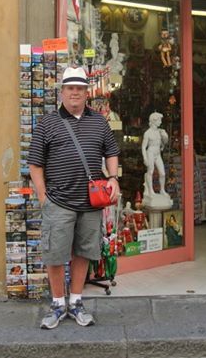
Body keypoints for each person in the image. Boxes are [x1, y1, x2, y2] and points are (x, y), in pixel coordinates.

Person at [29, 66, 120, 330]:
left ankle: (77, 301)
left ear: (86, 93)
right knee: (55, 255)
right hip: (58, 201)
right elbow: (35, 164)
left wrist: (113, 178)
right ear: (62, 92)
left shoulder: (99, 122)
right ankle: (58, 303)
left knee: (83, 253)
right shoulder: (47, 122)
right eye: (70, 88)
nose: (75, 93)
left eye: (79, 88)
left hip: (91, 204)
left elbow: (111, 151)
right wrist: (43, 197)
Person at [141, 112, 172, 209]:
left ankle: (162, 190)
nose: (160, 122)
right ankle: (151, 190)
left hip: (158, 153)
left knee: (162, 173)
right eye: (159, 120)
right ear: (154, 121)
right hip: (150, 152)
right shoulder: (148, 133)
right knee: (150, 171)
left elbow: (165, 142)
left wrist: (165, 136)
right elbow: (143, 147)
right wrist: (145, 158)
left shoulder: (160, 131)